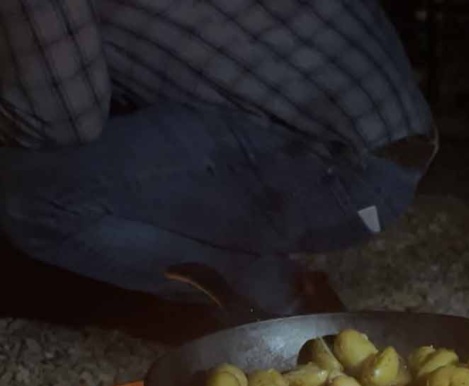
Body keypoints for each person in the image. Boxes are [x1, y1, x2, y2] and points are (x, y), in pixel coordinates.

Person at [0, 0, 437, 318]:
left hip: (339, 170)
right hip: (396, 135)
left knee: (24, 190)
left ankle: (274, 299)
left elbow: (62, 120)